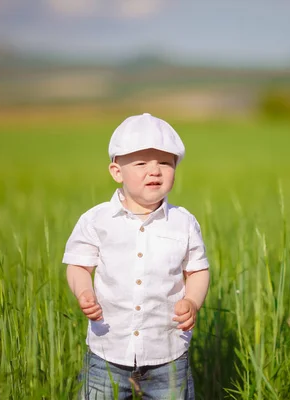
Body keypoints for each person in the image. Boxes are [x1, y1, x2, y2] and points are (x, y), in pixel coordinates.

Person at [63, 113, 210, 399]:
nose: (154, 171)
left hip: (168, 354)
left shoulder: (184, 222)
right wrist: (84, 292)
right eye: (141, 163)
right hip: (107, 352)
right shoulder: (97, 220)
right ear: (117, 171)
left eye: (165, 163)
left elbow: (198, 271)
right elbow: (78, 265)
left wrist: (192, 300)